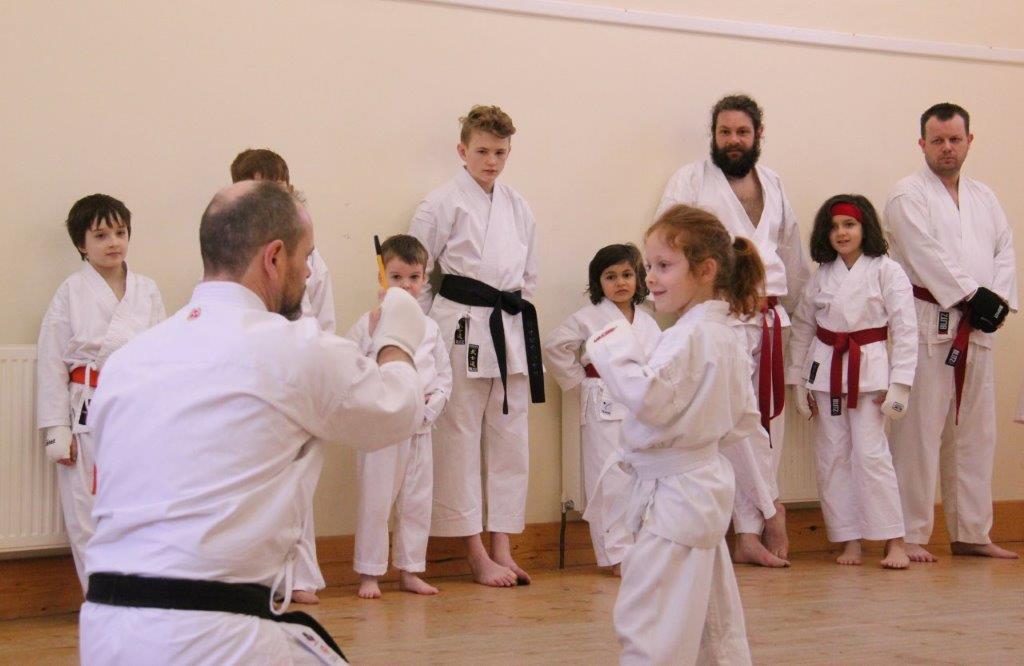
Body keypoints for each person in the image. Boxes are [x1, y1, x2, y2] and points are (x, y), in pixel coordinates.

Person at [79, 181, 427, 664]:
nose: (309, 271)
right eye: (307, 257)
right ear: (274, 257)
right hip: (211, 636)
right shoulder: (293, 348)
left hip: (104, 630)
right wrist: (398, 336)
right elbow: (398, 410)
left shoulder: (127, 361)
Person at [585, 204, 763, 664]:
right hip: (697, 488)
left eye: (664, 266)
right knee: (708, 621)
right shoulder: (721, 333)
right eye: (650, 266)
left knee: (651, 618)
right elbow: (743, 418)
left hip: (679, 496)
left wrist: (613, 349)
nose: (651, 278)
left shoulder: (692, 336)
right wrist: (697, 436)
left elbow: (651, 399)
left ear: (705, 270)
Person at [656, 94, 809, 567]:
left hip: (771, 314)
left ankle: (748, 534)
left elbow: (792, 252)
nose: (733, 140)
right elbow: (668, 243)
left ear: (758, 134)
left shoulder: (774, 183)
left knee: (770, 425)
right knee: (738, 425)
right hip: (721, 313)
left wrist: (797, 313)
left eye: (742, 132)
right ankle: (770, 510)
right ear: (714, 135)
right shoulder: (690, 180)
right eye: (725, 132)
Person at [408, 105, 543, 587]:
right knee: (458, 436)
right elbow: (416, 277)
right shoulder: (439, 204)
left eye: (500, 153)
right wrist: (424, 337)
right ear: (462, 150)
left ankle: (502, 544)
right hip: (459, 324)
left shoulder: (518, 206)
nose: (492, 161)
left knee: (511, 437)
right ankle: (474, 550)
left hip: (508, 325)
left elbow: (528, 276)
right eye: (483, 151)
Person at [884, 103, 1018, 561]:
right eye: (937, 140)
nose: (947, 148)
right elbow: (922, 253)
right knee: (918, 434)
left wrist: (996, 303)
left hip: (978, 327)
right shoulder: (907, 194)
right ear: (922, 143)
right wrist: (970, 295)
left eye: (955, 139)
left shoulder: (985, 197)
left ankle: (972, 532)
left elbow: (1004, 250)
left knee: (976, 434)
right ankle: (910, 534)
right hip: (930, 322)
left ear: (969, 141)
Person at [36, 194, 166, 591]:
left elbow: (162, 355)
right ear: (82, 244)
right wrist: (56, 429)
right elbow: (51, 360)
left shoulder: (147, 290)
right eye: (101, 235)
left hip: (135, 408)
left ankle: (138, 594)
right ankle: (100, 596)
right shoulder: (71, 291)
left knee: (137, 505)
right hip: (86, 409)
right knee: (85, 508)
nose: (114, 242)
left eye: (120, 232)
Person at [788, 195, 916, 568]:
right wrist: (798, 382)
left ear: (865, 228)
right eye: (833, 227)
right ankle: (849, 539)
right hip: (825, 371)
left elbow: (905, 329)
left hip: (870, 373)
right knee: (832, 457)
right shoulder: (821, 275)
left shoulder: (887, 271)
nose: (841, 233)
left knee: (872, 455)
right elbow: (802, 328)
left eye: (849, 224)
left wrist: (900, 384)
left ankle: (895, 540)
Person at [231, 147, 336, 602]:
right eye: (258, 187)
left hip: (297, 370)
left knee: (298, 478)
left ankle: (301, 574)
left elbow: (325, 321)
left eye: (277, 186)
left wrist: (321, 371)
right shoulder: (231, 253)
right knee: (254, 482)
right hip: (253, 374)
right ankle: (258, 575)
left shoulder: (311, 257)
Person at [542, 244, 661, 573]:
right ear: (598, 282)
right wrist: (579, 382)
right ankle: (616, 555)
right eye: (610, 276)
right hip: (604, 400)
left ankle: (642, 551)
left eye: (627, 274)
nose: (620, 282)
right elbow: (554, 346)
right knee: (610, 479)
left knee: (643, 478)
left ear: (639, 279)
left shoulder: (648, 321)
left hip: (642, 402)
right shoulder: (589, 316)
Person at [347, 234, 452, 598]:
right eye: (396, 277)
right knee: (375, 500)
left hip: (419, 427)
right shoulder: (368, 323)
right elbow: (352, 366)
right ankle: (370, 573)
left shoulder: (431, 329)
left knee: (416, 502)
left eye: (414, 277)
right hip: (382, 429)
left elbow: (443, 377)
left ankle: (410, 570)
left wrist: (428, 408)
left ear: (425, 279)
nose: (406, 286)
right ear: (382, 277)